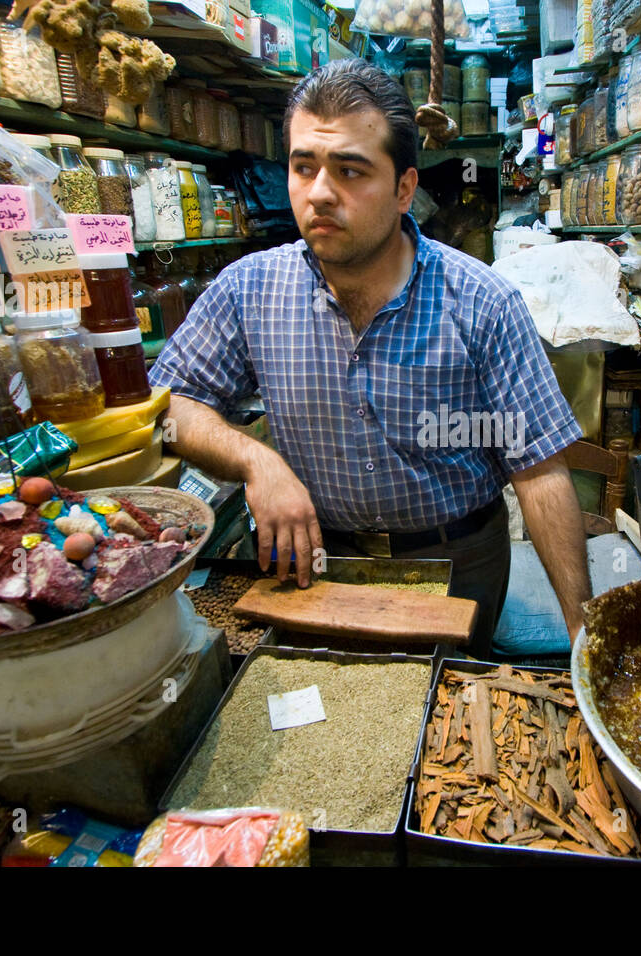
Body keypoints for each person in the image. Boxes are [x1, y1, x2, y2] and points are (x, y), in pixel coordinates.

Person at [149, 58, 591, 657]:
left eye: (350, 171)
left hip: (457, 561)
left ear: (405, 188)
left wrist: (583, 637)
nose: (321, 193)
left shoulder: (481, 301)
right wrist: (257, 462)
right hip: (313, 561)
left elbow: (538, 469)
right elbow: (172, 406)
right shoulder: (248, 290)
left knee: (447, 724)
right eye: (304, 167)